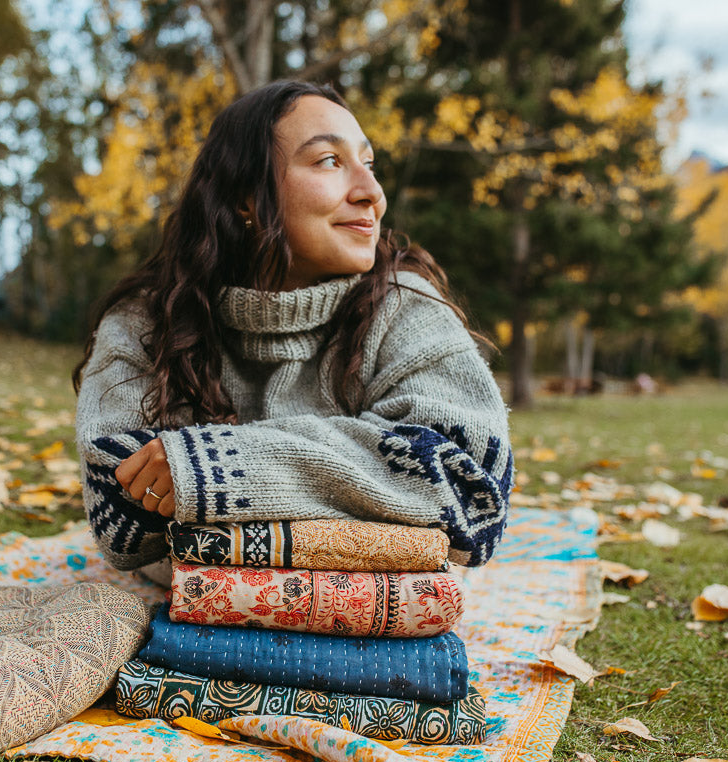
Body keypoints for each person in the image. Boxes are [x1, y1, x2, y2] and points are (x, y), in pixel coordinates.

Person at [73, 80, 513, 576]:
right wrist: (370, 493)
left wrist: (216, 469)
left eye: (368, 164)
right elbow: (118, 508)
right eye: (328, 161)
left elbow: (472, 489)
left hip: (374, 623)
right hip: (200, 612)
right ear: (245, 198)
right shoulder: (147, 321)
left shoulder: (406, 307)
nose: (372, 193)